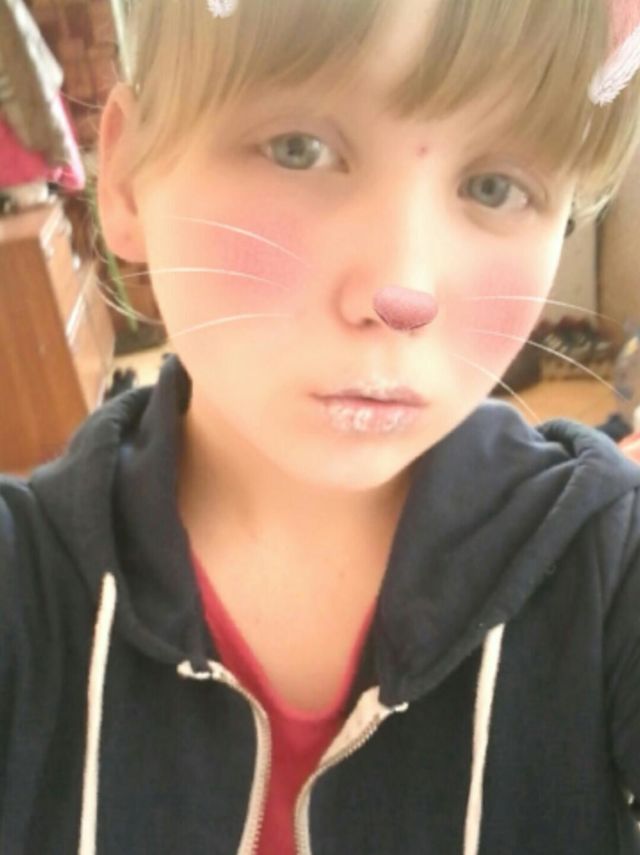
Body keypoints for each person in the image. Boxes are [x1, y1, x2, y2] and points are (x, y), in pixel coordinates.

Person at [2, 0, 640, 852]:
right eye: (298, 149)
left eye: (495, 187)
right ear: (124, 177)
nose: (402, 292)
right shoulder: (23, 591)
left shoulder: (609, 566)